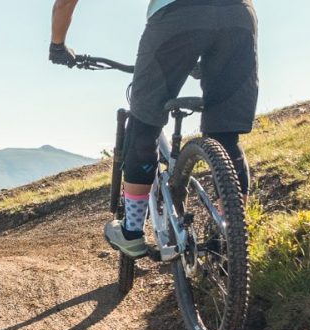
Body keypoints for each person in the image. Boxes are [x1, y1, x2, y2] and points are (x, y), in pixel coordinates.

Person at [50, 0, 257, 259]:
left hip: (177, 16)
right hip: (239, 15)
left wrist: (58, 45)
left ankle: (132, 232)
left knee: (143, 126)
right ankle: (232, 236)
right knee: (226, 134)